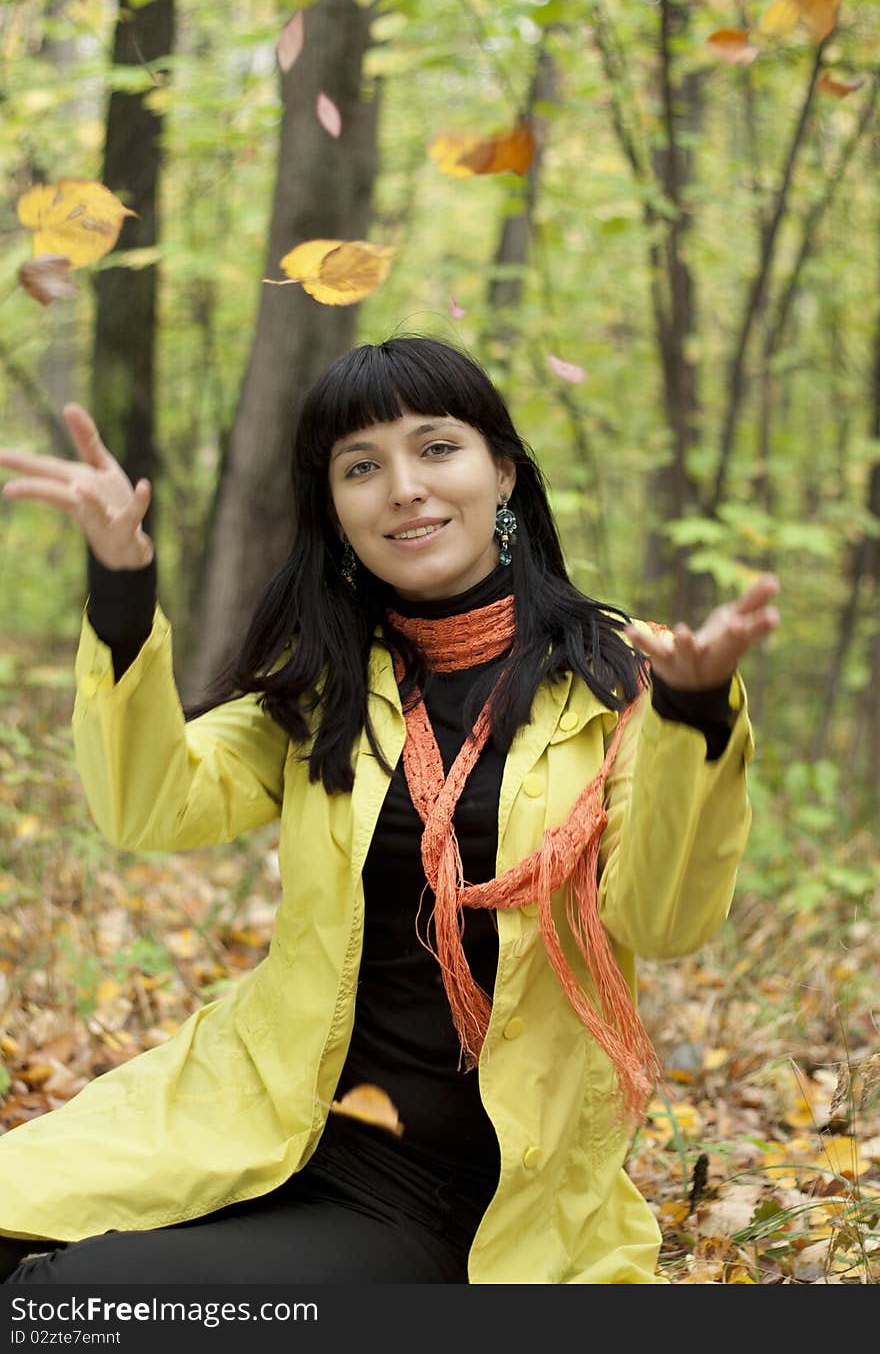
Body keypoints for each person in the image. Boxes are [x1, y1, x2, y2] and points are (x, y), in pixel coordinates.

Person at [0, 335, 779, 1284]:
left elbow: (663, 921)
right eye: (361, 467)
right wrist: (122, 590)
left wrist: (694, 714)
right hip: (255, 1117)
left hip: (446, 1188)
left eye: (436, 448)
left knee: (76, 1305)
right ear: (335, 509)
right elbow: (152, 807)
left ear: (501, 472)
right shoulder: (331, 684)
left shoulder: (620, 680)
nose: (403, 487)